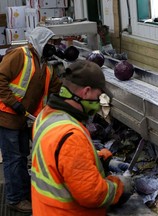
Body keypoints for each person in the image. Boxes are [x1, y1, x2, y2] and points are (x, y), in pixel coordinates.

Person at [31, 59, 133, 216]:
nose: (99, 102)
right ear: (86, 92)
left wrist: (96, 158)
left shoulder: (45, 116)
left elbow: (56, 158)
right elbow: (92, 194)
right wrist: (120, 186)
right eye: (99, 95)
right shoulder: (71, 134)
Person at [0, 27, 62, 213]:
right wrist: (14, 103)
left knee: (22, 157)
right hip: (7, 116)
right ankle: (15, 199)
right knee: (13, 160)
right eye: (50, 43)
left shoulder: (45, 65)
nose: (53, 46)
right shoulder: (20, 55)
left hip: (23, 120)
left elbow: (57, 88)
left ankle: (25, 193)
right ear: (40, 42)